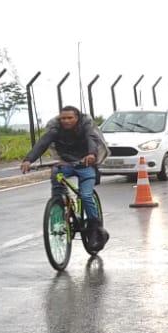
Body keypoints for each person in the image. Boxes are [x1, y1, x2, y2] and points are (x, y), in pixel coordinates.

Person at [21, 105, 109, 249]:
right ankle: (60, 211)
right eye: (63, 118)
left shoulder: (86, 126)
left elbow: (92, 139)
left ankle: (96, 228)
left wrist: (91, 154)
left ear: (77, 118)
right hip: (66, 164)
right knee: (56, 174)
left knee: (86, 196)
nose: (66, 121)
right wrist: (28, 159)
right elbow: (42, 143)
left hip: (85, 164)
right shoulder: (55, 129)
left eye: (70, 118)